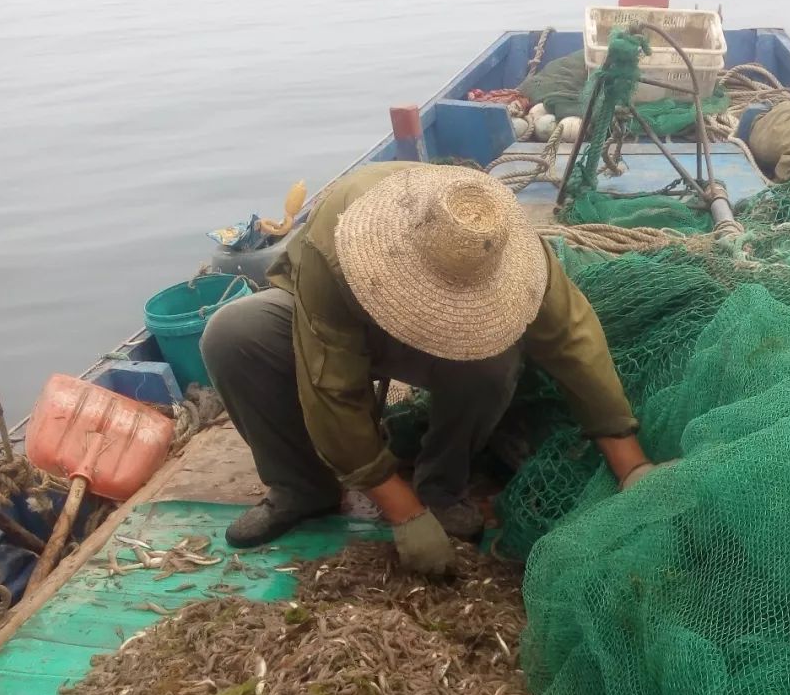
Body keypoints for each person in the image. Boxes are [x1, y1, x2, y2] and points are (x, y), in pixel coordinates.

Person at [201, 161, 656, 576]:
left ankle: (441, 486)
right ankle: (301, 488)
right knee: (232, 334)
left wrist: (631, 467)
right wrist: (403, 514)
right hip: (340, 312)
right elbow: (331, 390)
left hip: (439, 341)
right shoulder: (340, 234)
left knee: (494, 360)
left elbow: (574, 342)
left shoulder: (510, 246)